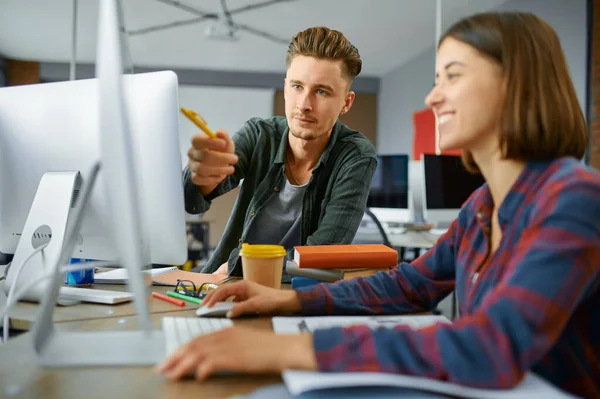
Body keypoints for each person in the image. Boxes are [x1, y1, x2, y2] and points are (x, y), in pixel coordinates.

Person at [159, 11, 600, 398]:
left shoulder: (575, 199)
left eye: (453, 76)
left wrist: (291, 346)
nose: (432, 97)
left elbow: (490, 348)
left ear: (515, 87)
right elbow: (407, 286)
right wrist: (287, 303)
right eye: (435, 79)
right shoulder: (483, 207)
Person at [183, 26, 377, 277]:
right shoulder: (259, 134)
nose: (304, 105)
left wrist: (238, 265)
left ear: (346, 103)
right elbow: (192, 201)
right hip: (224, 282)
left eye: (321, 91)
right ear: (286, 88)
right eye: (297, 87)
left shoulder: (356, 157)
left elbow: (324, 253)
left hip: (296, 295)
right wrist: (200, 180)